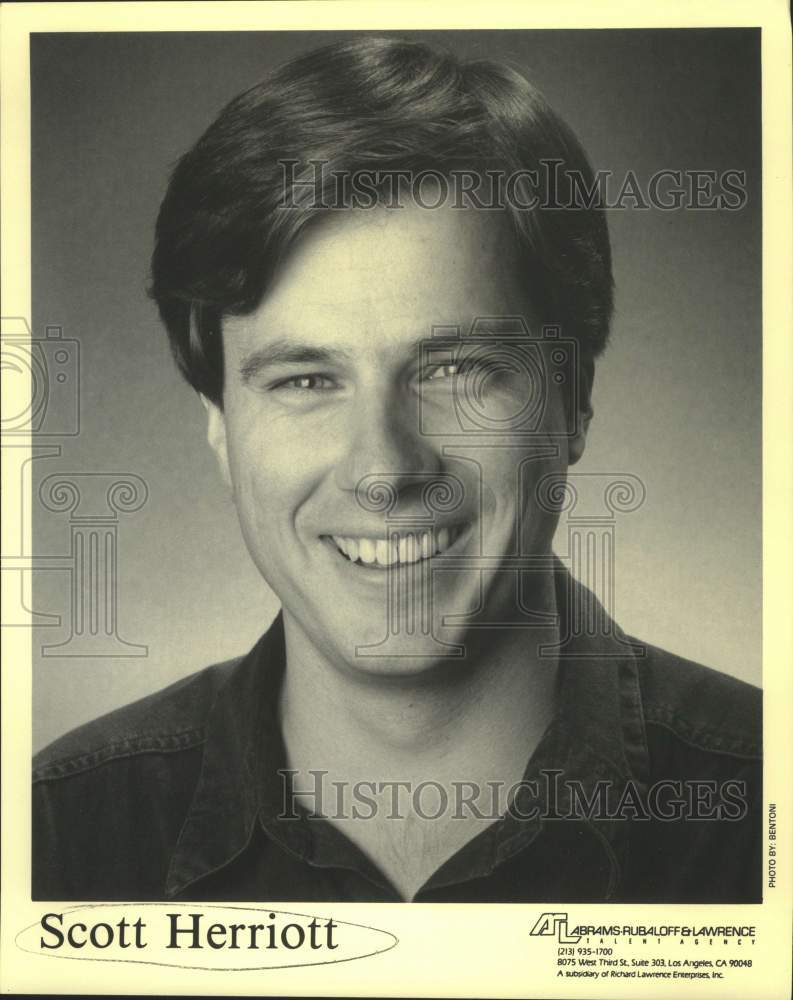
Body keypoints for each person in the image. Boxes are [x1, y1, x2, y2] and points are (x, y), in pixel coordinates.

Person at [33, 36, 761, 903]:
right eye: (306, 380)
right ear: (221, 427)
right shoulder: (55, 836)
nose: (382, 469)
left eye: (454, 369)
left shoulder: (763, 809)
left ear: (571, 400)